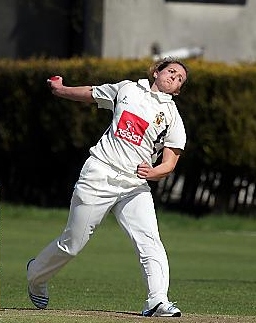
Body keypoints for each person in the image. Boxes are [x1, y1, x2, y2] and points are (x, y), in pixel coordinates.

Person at [26, 57, 188, 317]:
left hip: (134, 185)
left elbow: (169, 163)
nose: (174, 79)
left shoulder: (172, 117)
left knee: (150, 241)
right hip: (100, 174)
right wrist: (61, 90)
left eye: (180, 79)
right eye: (171, 72)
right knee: (73, 243)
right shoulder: (127, 89)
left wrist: (154, 172)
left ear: (178, 89)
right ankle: (35, 275)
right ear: (156, 72)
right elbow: (92, 93)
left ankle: (157, 300)